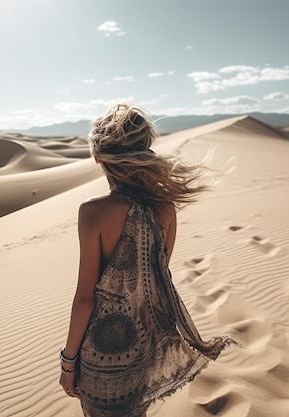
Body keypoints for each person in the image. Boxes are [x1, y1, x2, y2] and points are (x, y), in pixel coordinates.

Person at [59, 103, 240, 417]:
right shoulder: (165, 207)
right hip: (143, 347)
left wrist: (68, 362)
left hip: (101, 355)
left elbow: (86, 297)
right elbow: (156, 278)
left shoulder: (93, 212)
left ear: (98, 157)